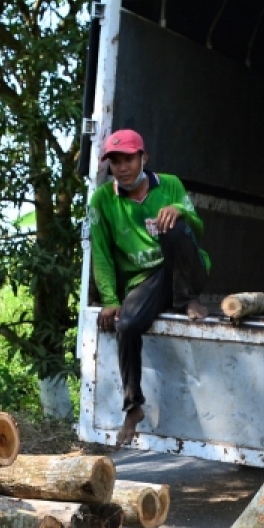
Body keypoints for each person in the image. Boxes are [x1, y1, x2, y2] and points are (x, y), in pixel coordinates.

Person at [89, 128, 211, 447]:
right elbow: (100, 254)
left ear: (144, 157)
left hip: (186, 269)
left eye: (129, 158)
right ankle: (133, 406)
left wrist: (179, 210)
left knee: (176, 227)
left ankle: (187, 300)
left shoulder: (168, 184)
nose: (123, 167)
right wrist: (111, 300)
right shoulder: (103, 199)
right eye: (115, 161)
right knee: (127, 325)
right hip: (147, 281)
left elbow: (197, 227)